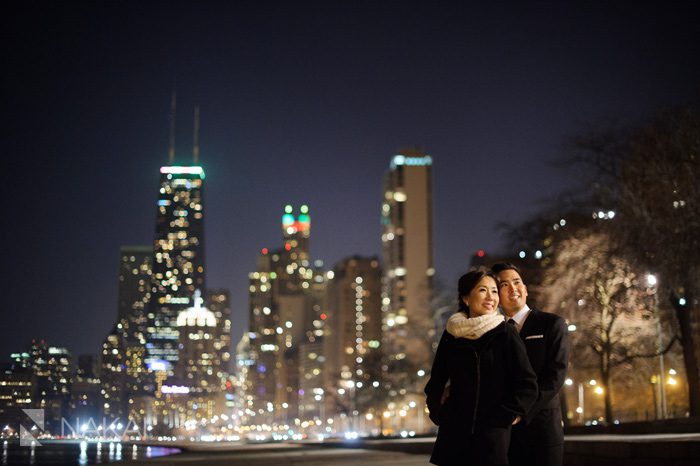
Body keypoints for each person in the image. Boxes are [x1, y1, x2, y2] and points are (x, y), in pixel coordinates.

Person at [425, 268, 538, 466]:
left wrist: (508, 415)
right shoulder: (452, 333)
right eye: (482, 290)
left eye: (494, 291)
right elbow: (436, 379)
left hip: (492, 434)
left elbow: (527, 382)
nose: (490, 297)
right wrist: (438, 413)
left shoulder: (505, 332)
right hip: (454, 433)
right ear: (466, 298)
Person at [491, 263, 569, 466]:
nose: (512, 288)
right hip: (505, 434)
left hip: (542, 430)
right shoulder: (494, 333)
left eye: (516, 282)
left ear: (525, 289)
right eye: (504, 285)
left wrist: (522, 411)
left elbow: (555, 375)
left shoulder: (552, 324)